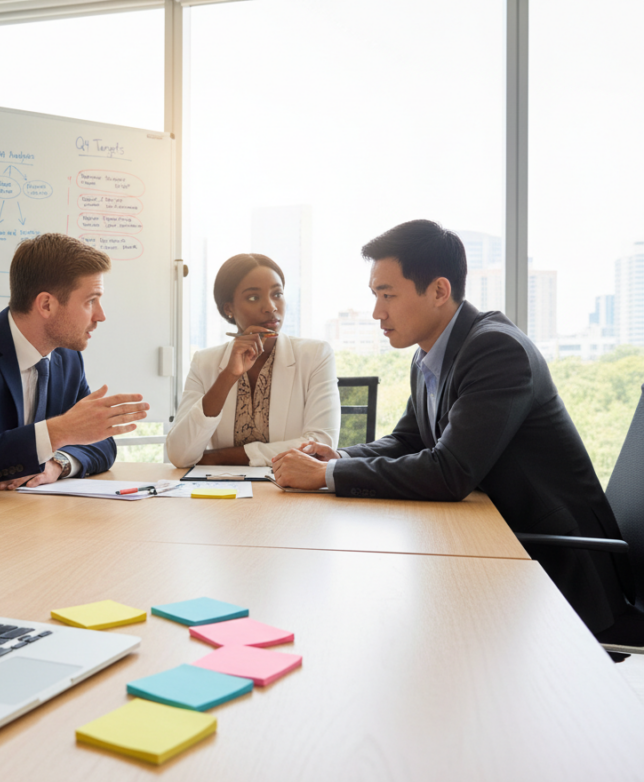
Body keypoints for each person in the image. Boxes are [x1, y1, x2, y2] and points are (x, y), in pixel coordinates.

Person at [271, 219, 634, 637]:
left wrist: (326, 476)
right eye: (375, 295)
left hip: (557, 565)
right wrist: (341, 458)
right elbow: (408, 439)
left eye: (388, 295)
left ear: (439, 291)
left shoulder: (496, 349)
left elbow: (450, 471)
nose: (377, 312)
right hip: (499, 544)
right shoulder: (431, 353)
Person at [0, 233, 149, 494]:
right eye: (90, 301)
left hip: (31, 517)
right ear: (46, 304)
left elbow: (101, 443)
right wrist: (57, 432)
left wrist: (58, 463)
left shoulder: (67, 358)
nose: (101, 315)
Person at [166, 253, 340, 468]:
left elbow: (320, 446)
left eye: (277, 294)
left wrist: (216, 457)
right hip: (223, 495)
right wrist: (228, 376)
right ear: (228, 308)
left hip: (290, 492)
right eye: (253, 297)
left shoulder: (315, 355)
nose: (270, 307)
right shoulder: (205, 362)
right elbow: (180, 455)